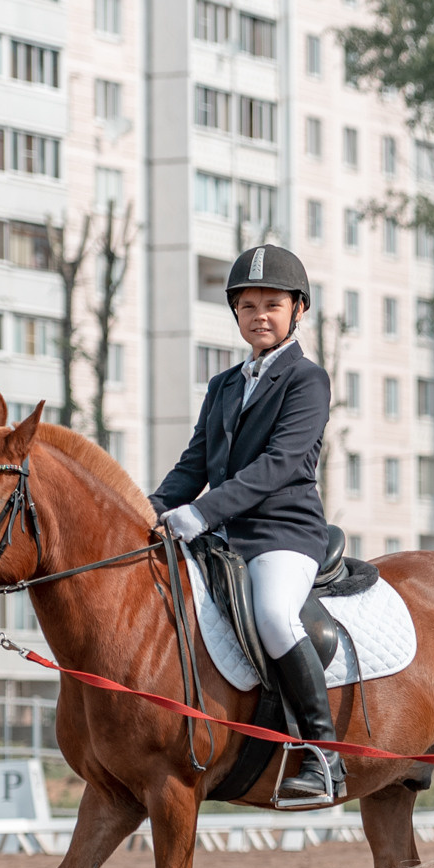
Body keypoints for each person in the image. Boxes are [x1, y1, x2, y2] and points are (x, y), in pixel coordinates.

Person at [148, 244, 343, 805]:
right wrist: (146, 511)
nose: (260, 316)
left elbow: (279, 464)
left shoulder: (308, 380)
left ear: (297, 310)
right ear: (235, 312)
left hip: (283, 532)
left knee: (275, 616)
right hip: (224, 537)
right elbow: (192, 466)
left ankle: (323, 755)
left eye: (272, 305)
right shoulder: (223, 385)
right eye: (248, 306)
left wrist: (203, 512)